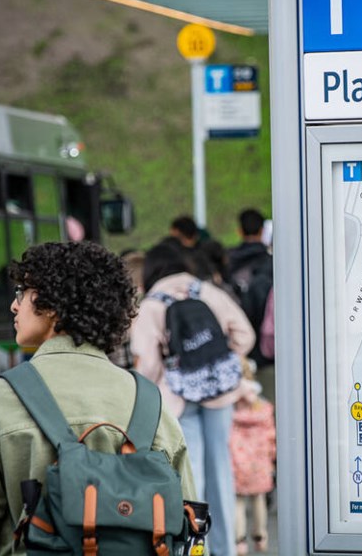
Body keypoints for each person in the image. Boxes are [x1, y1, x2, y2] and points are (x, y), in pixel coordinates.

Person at [0, 241, 195, 554]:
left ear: (51, 305)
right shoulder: (152, 406)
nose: (14, 305)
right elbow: (189, 531)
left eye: (22, 291)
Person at [131, 241, 255, 556]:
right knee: (221, 472)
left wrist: (166, 378)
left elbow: (145, 364)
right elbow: (245, 334)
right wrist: (222, 361)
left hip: (178, 401)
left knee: (191, 475)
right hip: (220, 392)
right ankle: (225, 549)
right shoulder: (209, 292)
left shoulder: (151, 304)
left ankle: (196, 548)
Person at [226, 208, 275, 404]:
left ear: (239, 231)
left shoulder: (227, 264)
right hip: (268, 353)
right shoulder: (273, 264)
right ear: (263, 231)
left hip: (237, 354)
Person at [230, 360, 276, 555]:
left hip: (237, 463)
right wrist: (271, 457)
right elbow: (271, 436)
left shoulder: (231, 409)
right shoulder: (264, 408)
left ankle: (239, 541)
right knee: (258, 499)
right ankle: (260, 537)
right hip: (260, 464)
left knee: (238, 502)